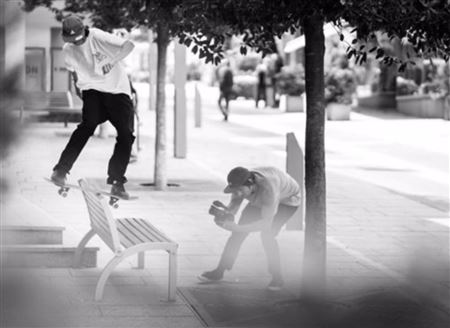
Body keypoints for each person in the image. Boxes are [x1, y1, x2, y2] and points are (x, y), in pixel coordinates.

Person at [50, 16, 135, 198]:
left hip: (117, 90)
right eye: (73, 41)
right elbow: (73, 71)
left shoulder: (97, 36)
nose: (77, 42)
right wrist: (77, 87)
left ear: (84, 31)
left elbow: (129, 45)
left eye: (79, 38)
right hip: (92, 90)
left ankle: (117, 182)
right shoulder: (68, 49)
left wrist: (112, 61)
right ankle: (61, 171)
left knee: (126, 135)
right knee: (86, 127)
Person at [200, 166, 301, 291]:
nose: (237, 193)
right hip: (260, 199)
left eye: (240, 191)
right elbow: (234, 206)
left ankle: (277, 278)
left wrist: (237, 228)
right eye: (234, 190)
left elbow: (265, 224)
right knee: (236, 235)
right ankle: (219, 271)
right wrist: (225, 216)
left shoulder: (268, 190)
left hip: (287, 201)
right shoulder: (241, 186)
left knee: (267, 236)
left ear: (251, 184)